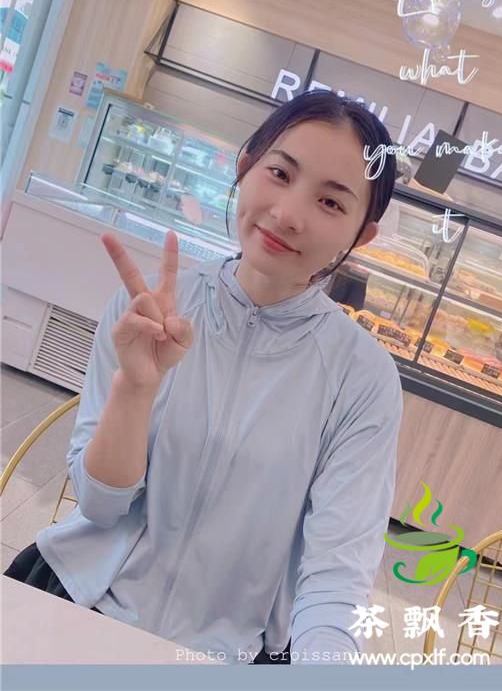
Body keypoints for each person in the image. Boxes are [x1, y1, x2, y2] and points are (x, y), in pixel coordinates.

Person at [5, 90, 403, 666]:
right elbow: (98, 505)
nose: (288, 214)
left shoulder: (363, 379)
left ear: (360, 237)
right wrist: (135, 390)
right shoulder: (147, 311)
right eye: (280, 173)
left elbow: (337, 573)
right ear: (246, 165)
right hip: (77, 601)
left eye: (330, 202)